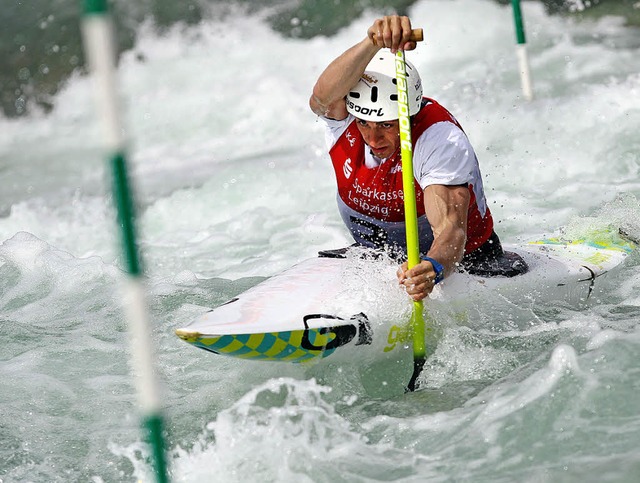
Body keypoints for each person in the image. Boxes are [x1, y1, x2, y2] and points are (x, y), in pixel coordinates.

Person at [309, 15, 527, 302]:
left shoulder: (438, 140)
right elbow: (322, 96)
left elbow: (451, 230)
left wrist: (432, 267)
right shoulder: (345, 119)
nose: (373, 139)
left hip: (468, 261)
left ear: (408, 117)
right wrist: (371, 42)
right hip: (377, 256)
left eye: (387, 125)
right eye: (364, 124)